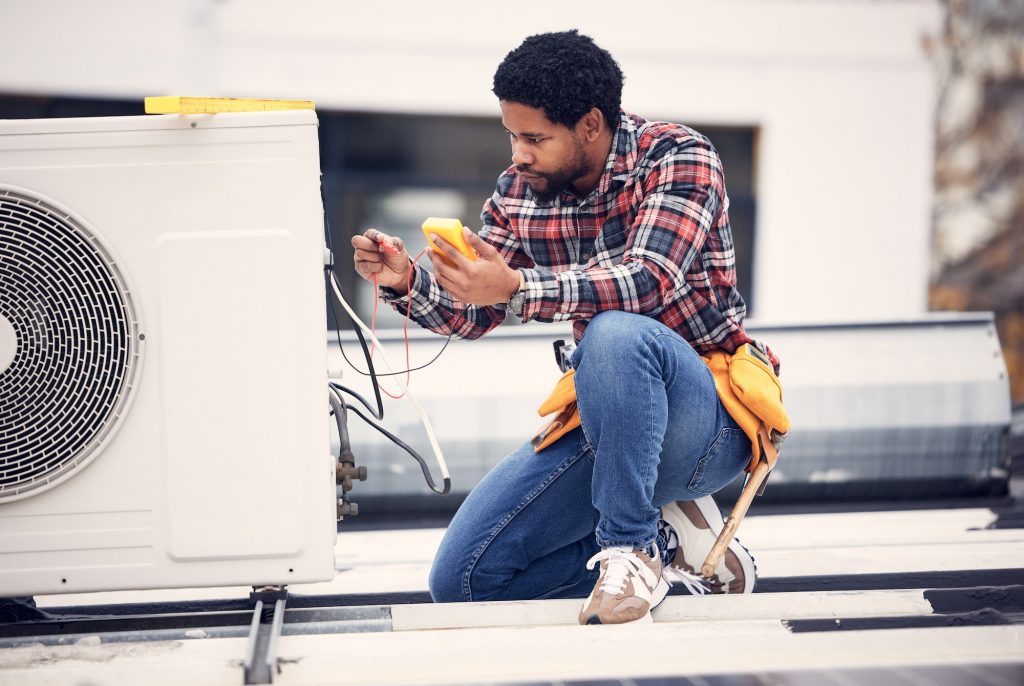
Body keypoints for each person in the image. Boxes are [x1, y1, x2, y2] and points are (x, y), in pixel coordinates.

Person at [351, 29, 779, 625]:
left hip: (706, 418)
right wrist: (406, 282)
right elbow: (476, 310)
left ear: (591, 126)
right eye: (511, 134)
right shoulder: (519, 192)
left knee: (615, 331)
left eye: (534, 138)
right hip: (610, 421)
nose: (518, 154)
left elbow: (645, 282)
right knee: (465, 582)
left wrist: (520, 288)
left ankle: (629, 548)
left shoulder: (678, 157)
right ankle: (664, 542)